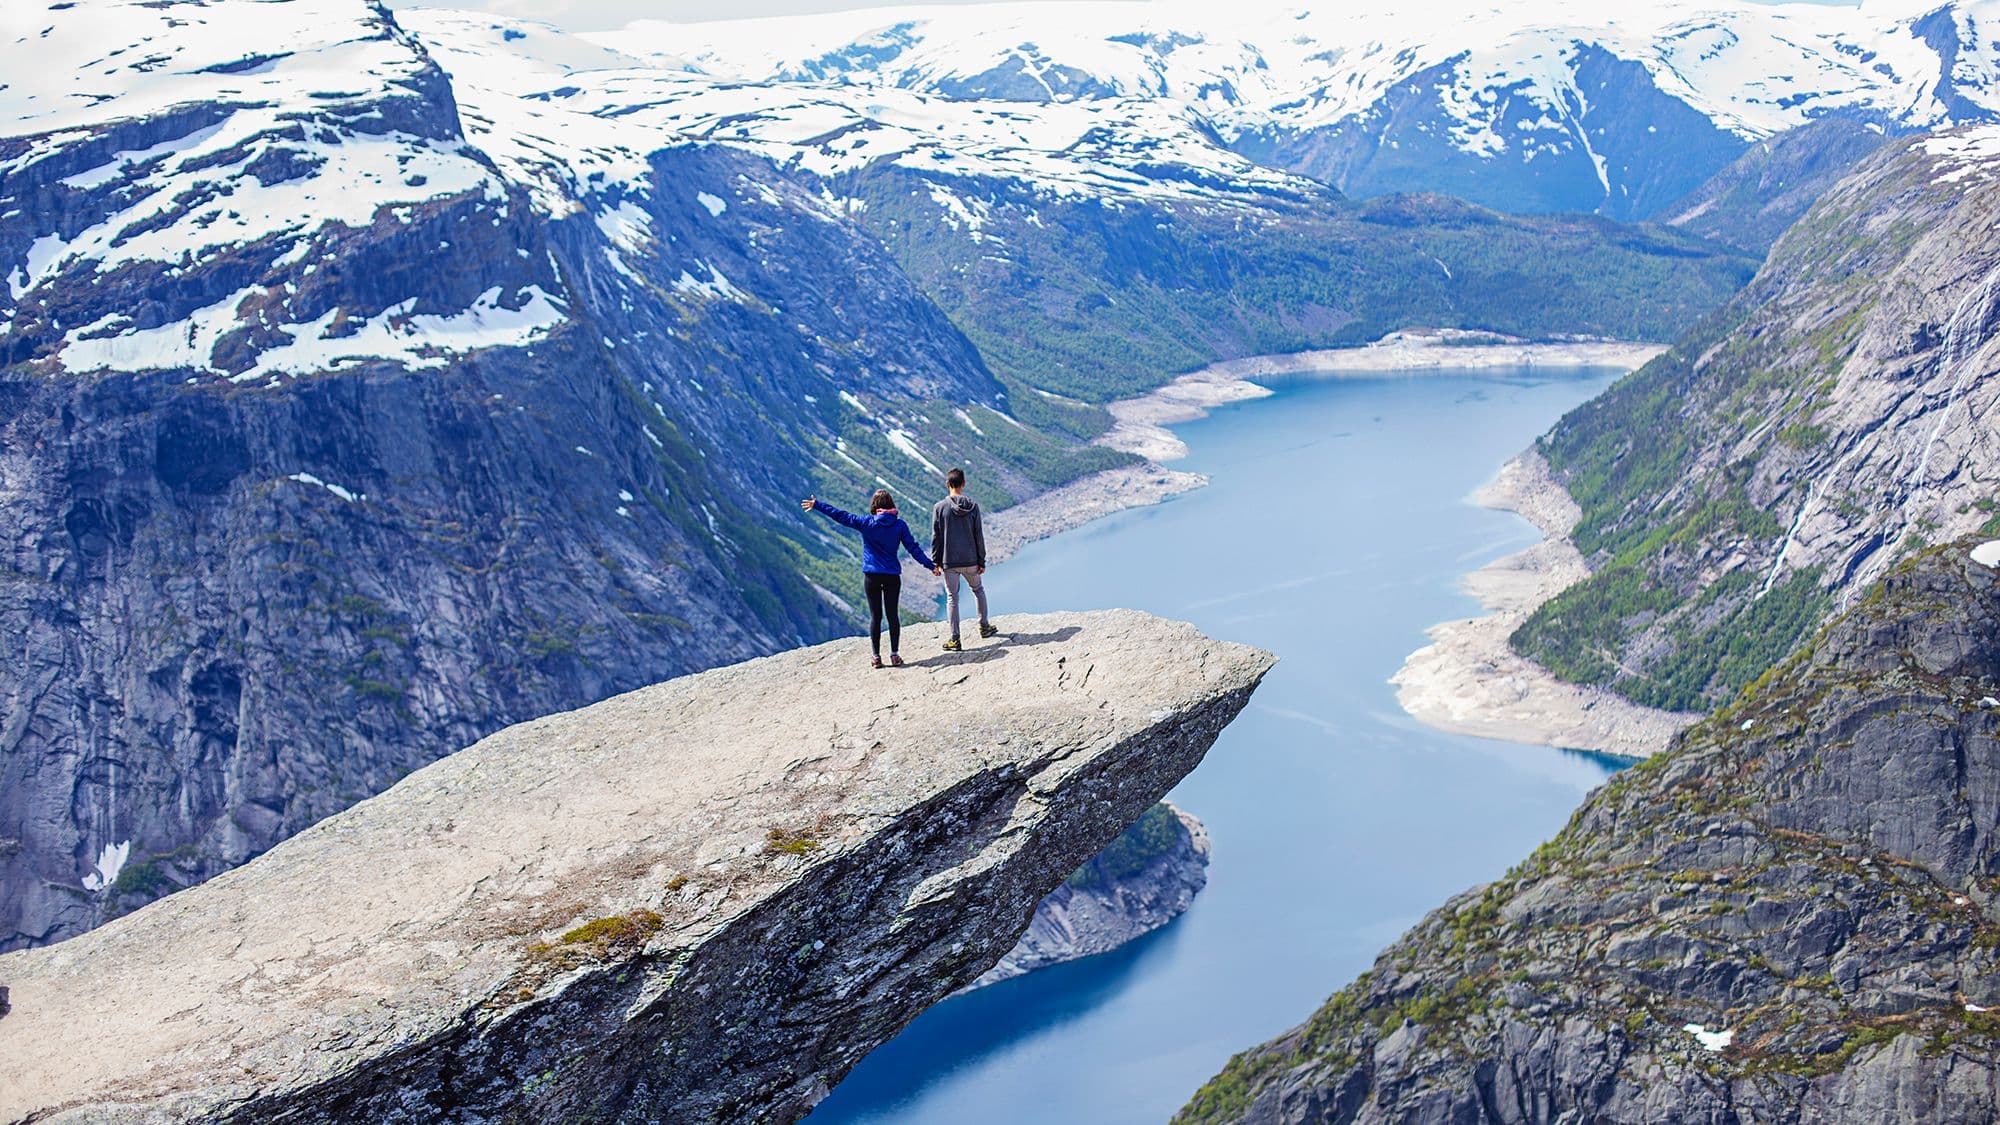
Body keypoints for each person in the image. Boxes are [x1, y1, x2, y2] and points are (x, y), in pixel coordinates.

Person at [803, 489, 935, 668]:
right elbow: (914, 548)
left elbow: (841, 516)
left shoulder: (866, 523)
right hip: (892, 576)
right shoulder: (899, 525)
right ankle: (894, 655)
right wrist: (931, 566)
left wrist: (818, 505)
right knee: (892, 615)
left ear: (875, 506)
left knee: (876, 616)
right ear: (891, 505)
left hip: (871, 575)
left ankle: (876, 657)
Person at [930, 467, 995, 652]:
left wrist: (936, 562)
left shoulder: (939, 508)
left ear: (947, 484)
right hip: (971, 560)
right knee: (978, 590)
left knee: (952, 598)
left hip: (949, 562)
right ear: (963, 484)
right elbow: (978, 535)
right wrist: (981, 560)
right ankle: (984, 627)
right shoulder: (973, 506)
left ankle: (955, 639)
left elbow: (936, 538)